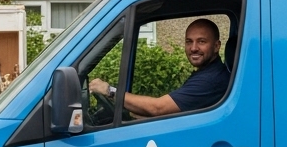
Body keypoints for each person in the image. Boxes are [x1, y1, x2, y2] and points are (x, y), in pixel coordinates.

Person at [89, 18, 230, 117]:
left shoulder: (211, 79)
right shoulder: (206, 72)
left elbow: (158, 108)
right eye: (189, 41)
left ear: (216, 46)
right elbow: (173, 115)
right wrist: (131, 116)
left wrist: (109, 91)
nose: (193, 48)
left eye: (201, 41)